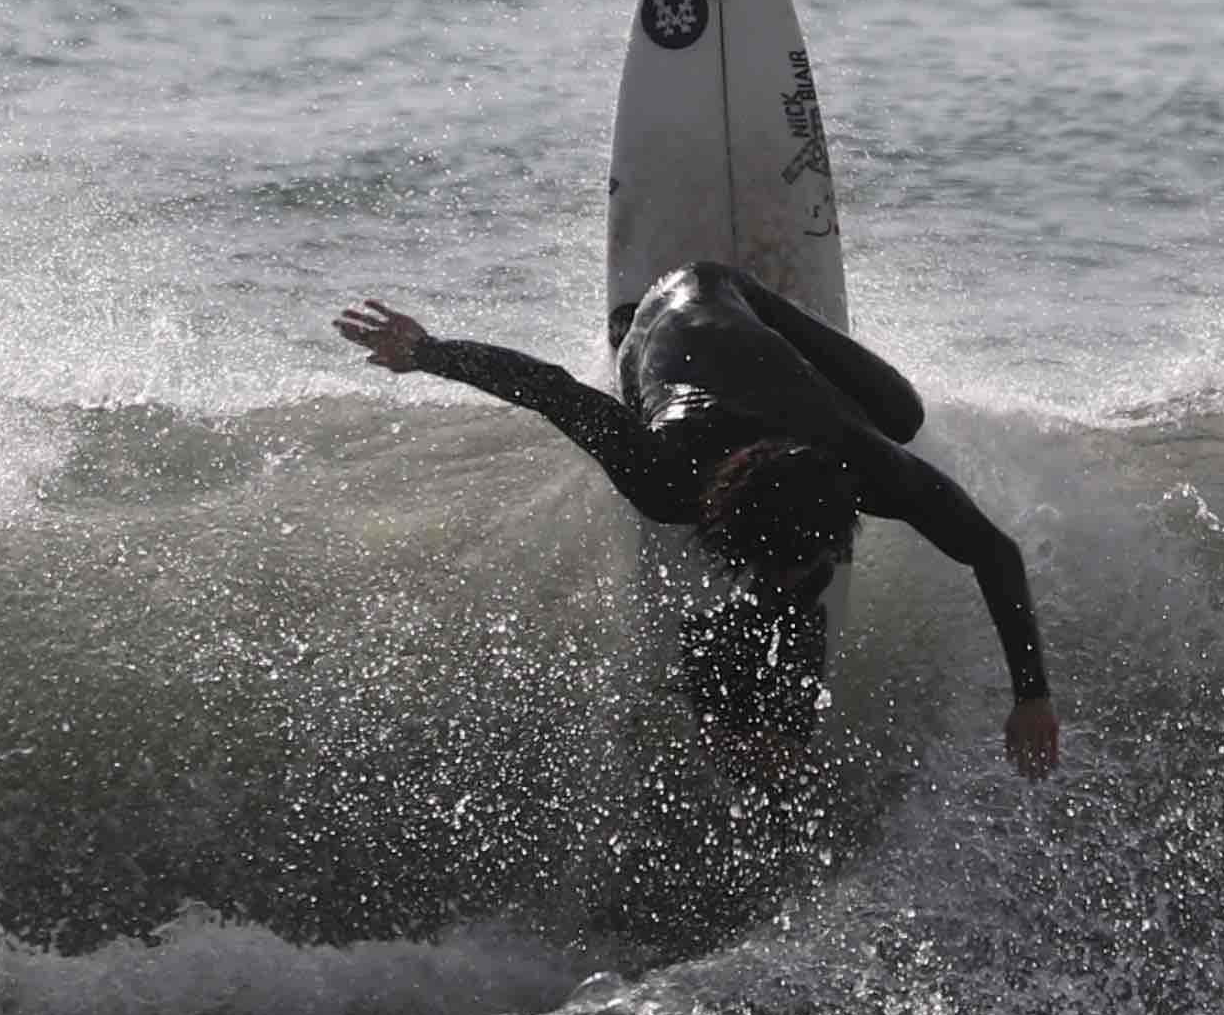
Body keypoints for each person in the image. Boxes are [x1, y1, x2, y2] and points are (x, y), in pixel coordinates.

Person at [335, 263, 1060, 781]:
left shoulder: (860, 462)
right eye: (778, 561)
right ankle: (627, 325)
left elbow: (992, 550)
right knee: (768, 599)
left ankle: (766, 732)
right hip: (667, 319)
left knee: (902, 416)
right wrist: (427, 353)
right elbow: (552, 390)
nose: (790, 576)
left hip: (729, 296)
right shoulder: (662, 473)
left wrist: (1031, 694)